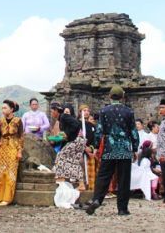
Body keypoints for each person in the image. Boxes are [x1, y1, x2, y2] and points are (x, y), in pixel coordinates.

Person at [85, 85, 139, 216]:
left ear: (110, 96)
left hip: (109, 147)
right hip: (125, 148)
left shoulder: (104, 111)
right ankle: (122, 208)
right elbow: (133, 131)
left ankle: (97, 199)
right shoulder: (128, 112)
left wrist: (97, 147)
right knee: (123, 179)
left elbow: (99, 131)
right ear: (122, 97)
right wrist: (135, 148)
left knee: (104, 176)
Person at [0, 99, 24, 206]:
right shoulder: (1, 121)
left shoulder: (18, 121)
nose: (3, 109)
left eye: (5, 108)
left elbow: (21, 137)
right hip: (2, 148)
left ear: (11, 109)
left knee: (11, 173)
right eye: (2, 108)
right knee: (0, 172)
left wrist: (19, 151)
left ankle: (7, 198)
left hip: (13, 148)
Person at [55, 112, 85, 190]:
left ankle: (60, 179)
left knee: (60, 156)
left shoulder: (63, 116)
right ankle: (81, 184)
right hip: (80, 141)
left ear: (55, 111)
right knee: (75, 161)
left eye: (52, 111)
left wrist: (67, 133)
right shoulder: (63, 120)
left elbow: (76, 124)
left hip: (76, 140)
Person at [79, 104, 97, 191]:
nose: (86, 112)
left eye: (88, 111)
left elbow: (95, 139)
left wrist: (91, 148)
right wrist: (84, 147)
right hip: (80, 150)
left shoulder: (92, 126)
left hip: (89, 150)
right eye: (84, 110)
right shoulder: (77, 124)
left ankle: (91, 188)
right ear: (80, 112)